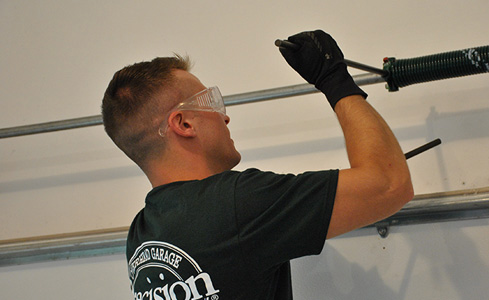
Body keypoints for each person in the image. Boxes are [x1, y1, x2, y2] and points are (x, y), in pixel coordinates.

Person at [108, 30, 413, 299]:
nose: (224, 116)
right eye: (211, 103)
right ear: (184, 123)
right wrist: (335, 80)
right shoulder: (235, 204)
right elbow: (389, 183)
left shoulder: (143, 236)